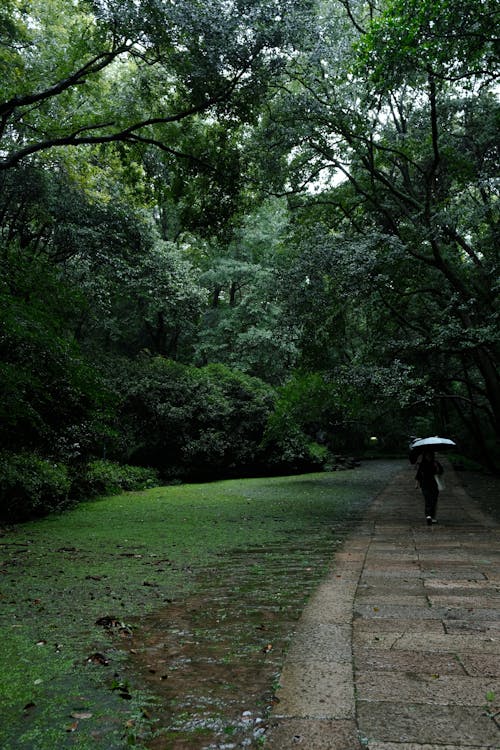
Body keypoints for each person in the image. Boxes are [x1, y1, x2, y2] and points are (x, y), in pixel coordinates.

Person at [415, 449, 444, 525]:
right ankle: (428, 516)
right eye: (427, 455)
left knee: (434, 500)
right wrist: (417, 484)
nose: (429, 457)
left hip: (434, 484)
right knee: (428, 499)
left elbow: (441, 472)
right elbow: (418, 475)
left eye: (430, 455)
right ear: (425, 456)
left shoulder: (435, 463)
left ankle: (433, 517)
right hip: (425, 484)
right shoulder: (422, 464)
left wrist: (437, 467)